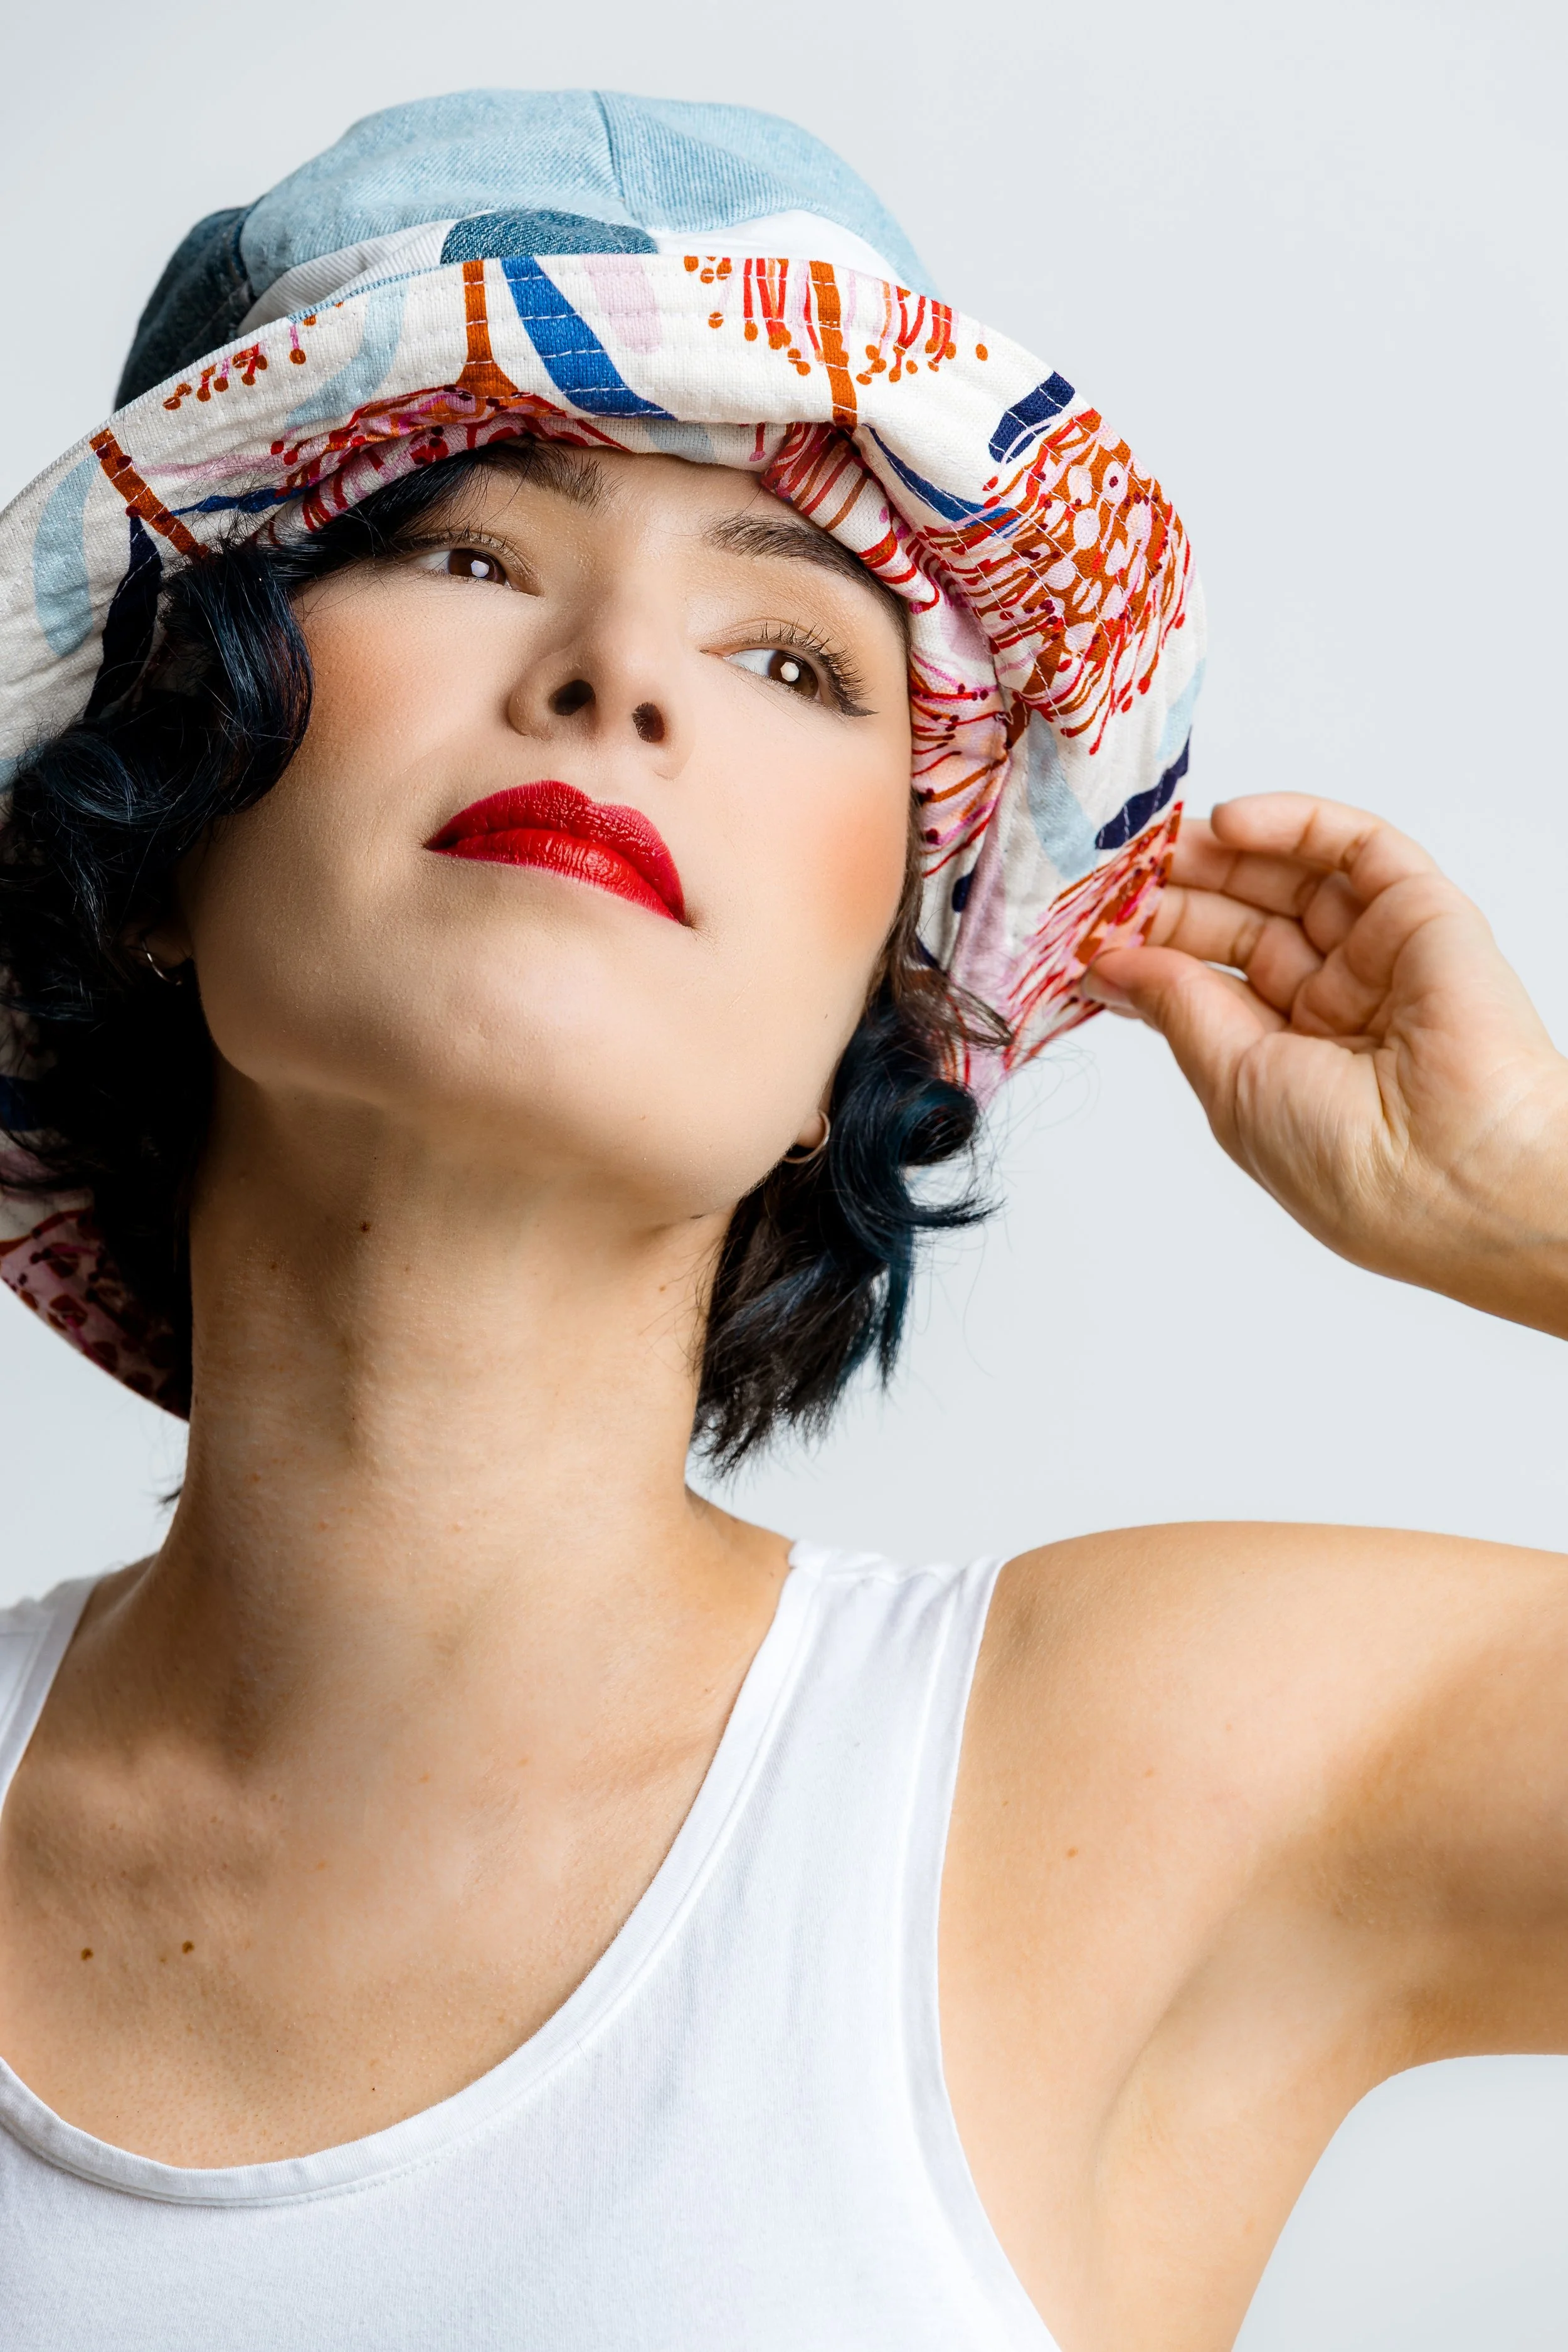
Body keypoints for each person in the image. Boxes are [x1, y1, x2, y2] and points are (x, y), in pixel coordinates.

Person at [0, 87, 1564, 2352]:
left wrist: (1531, 1202)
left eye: (795, 660)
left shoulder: (1135, 1774)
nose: (617, 674)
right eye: (459, 551)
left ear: (890, 985)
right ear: (161, 819)